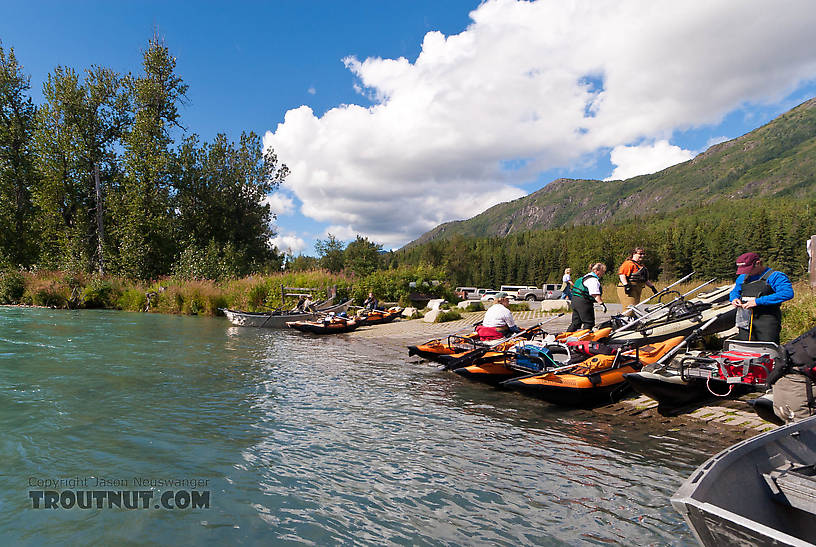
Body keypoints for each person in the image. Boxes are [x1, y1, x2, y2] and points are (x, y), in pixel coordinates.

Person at [729, 252, 793, 344]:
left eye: (748, 269)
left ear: (758, 263)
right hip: (745, 321)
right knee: (745, 348)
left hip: (767, 321)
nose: (746, 272)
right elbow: (735, 291)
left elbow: (787, 293)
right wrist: (734, 299)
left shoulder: (775, 276)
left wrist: (758, 301)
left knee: (766, 350)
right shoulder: (742, 277)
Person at [617, 247, 657, 316]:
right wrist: (626, 285)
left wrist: (652, 287)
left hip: (637, 289)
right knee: (629, 310)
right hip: (628, 289)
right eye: (640, 254)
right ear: (634, 254)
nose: (642, 256)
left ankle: (632, 323)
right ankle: (624, 323)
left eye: (643, 254)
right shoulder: (628, 264)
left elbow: (644, 279)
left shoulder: (640, 266)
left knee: (634, 309)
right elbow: (622, 275)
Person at [568, 263, 607, 332]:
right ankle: (585, 339)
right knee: (589, 322)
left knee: (576, 323)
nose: (603, 273)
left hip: (575, 300)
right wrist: (602, 304)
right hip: (583, 302)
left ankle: (566, 337)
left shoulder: (585, 277)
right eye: (603, 271)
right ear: (597, 271)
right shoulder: (593, 280)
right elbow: (595, 294)